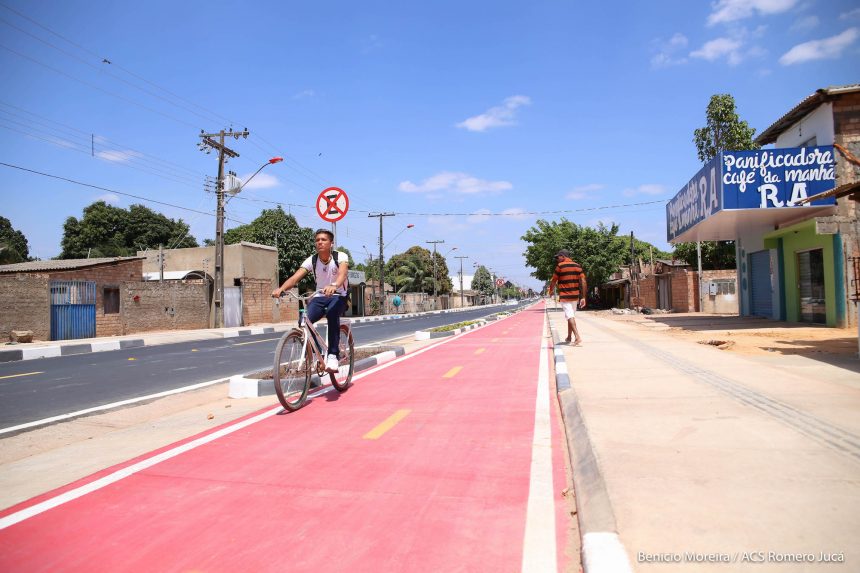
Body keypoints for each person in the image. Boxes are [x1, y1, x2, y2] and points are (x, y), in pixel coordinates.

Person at [272, 229, 349, 372]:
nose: (320, 242)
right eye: (317, 240)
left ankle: (332, 355)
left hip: (339, 296)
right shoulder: (312, 260)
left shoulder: (340, 256)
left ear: (331, 243)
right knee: (304, 320)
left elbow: (342, 274)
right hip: (320, 296)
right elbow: (295, 278)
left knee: (332, 314)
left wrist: (334, 285)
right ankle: (316, 354)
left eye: (324, 240)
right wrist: (281, 288)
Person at [548, 249, 587, 346]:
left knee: (569, 316)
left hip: (565, 295)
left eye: (558, 257)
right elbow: (583, 281)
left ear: (563, 256)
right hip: (575, 296)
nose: (557, 259)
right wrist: (583, 297)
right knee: (571, 316)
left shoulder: (560, 266)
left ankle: (577, 337)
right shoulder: (577, 266)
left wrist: (551, 290)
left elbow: (554, 280)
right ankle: (569, 336)